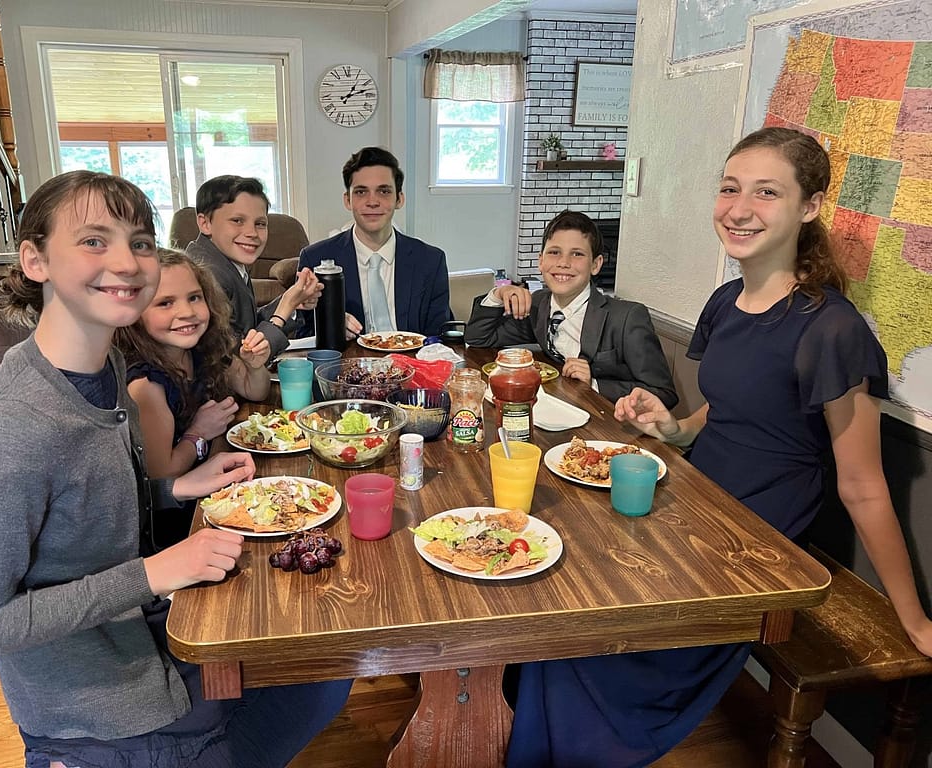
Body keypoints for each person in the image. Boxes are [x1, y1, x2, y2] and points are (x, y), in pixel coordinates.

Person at [505, 127, 932, 768]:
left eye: (767, 192)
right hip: (693, 500)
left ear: (809, 206)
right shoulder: (725, 300)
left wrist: (916, 619)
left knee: (584, 649)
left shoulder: (832, 328)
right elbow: (725, 411)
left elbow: (863, 485)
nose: (739, 207)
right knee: (560, 605)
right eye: (730, 188)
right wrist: (672, 428)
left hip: (758, 537)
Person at [0, 171, 350, 768]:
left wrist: (175, 487)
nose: (127, 262)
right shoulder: (18, 428)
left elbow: (81, 510)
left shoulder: (103, 375)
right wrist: (153, 573)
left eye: (141, 241)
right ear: (35, 259)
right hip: (109, 718)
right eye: (94, 241)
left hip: (155, 648)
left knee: (326, 668)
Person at [116, 248, 271, 547]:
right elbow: (162, 475)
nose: (186, 312)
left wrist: (255, 365)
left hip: (215, 488)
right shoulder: (146, 385)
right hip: (180, 527)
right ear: (134, 315)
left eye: (194, 297)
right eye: (165, 303)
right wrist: (198, 433)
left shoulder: (202, 349)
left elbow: (256, 390)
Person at [465, 209, 677, 407]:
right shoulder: (539, 305)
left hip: (604, 422)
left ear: (596, 264)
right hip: (554, 408)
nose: (563, 262)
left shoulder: (626, 318)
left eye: (577, 254)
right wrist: (498, 293)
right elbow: (478, 338)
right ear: (540, 261)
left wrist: (594, 384)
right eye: (554, 252)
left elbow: (663, 394)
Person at [298, 146, 450, 338]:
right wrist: (331, 326)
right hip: (346, 364)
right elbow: (302, 334)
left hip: (413, 364)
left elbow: (440, 335)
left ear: (399, 199)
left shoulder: (431, 260)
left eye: (384, 191)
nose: (372, 201)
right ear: (347, 200)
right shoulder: (314, 258)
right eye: (361, 192)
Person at [186, 175, 321, 358]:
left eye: (260, 224)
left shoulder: (226, 261)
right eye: (237, 221)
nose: (252, 233)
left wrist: (293, 302)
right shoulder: (207, 275)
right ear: (205, 223)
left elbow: (246, 327)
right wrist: (284, 309)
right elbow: (243, 360)